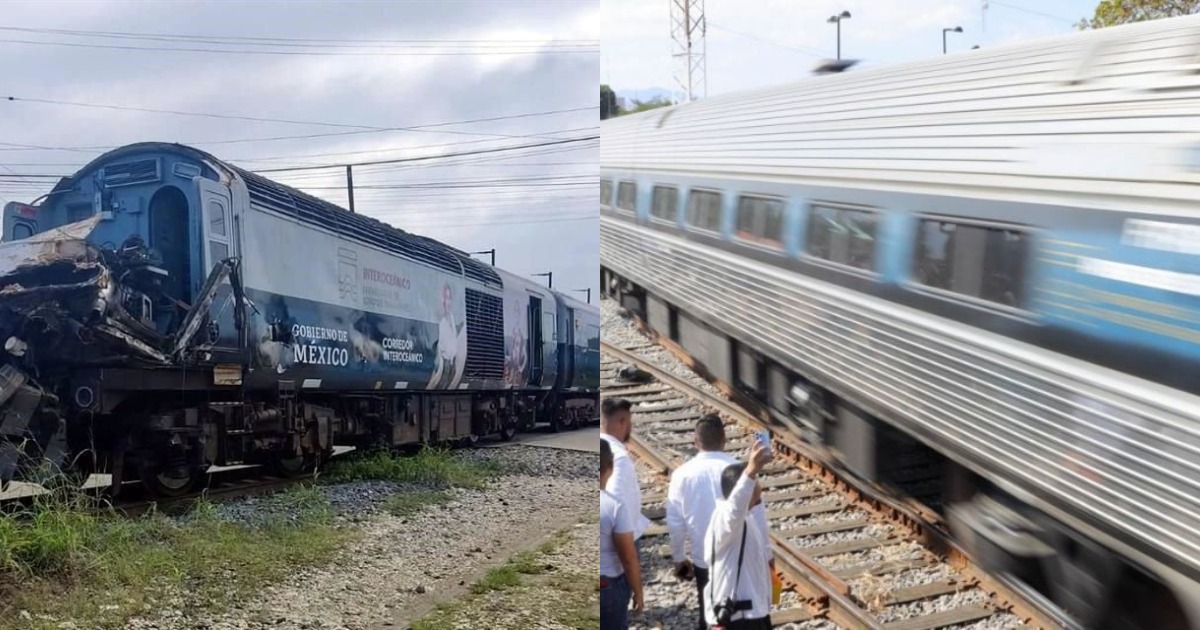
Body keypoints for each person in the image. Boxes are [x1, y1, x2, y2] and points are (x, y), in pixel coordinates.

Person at [666, 414, 738, 630]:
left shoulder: (682, 475)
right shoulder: (741, 469)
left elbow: (675, 524)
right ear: (724, 439)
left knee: (709, 615)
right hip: (737, 560)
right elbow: (757, 517)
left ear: (695, 442)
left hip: (703, 560)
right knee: (741, 617)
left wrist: (679, 558)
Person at [703, 440, 774, 630]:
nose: (758, 485)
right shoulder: (725, 518)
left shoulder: (747, 516)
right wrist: (750, 470)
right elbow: (736, 506)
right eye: (754, 482)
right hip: (737, 618)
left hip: (754, 613)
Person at [601, 439, 644, 630]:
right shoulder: (615, 507)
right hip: (607, 585)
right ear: (610, 468)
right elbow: (628, 557)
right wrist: (638, 591)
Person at [600, 397, 648, 539]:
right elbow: (616, 500)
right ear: (622, 422)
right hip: (621, 541)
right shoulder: (619, 457)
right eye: (629, 421)